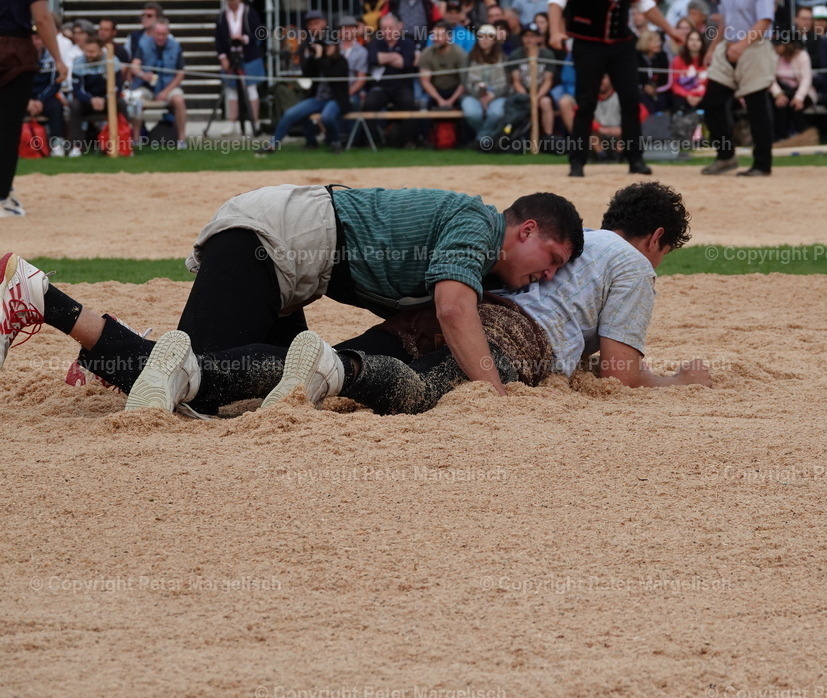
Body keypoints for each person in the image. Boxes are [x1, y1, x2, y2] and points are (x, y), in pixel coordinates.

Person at [0, 187, 585, 413]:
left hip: (289, 259)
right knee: (196, 383)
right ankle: (38, 295)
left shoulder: (476, 243)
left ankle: (84, 327)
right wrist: (496, 394)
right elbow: (455, 309)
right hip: (275, 243)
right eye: (551, 262)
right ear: (526, 230)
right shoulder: (480, 225)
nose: (543, 278)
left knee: (243, 388)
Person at [260, 181, 710, 415]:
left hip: (463, 310)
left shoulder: (580, 239)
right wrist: (677, 382)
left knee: (312, 366)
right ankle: (345, 372)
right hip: (513, 342)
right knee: (417, 391)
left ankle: (204, 374)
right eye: (663, 255)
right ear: (655, 239)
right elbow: (619, 376)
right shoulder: (633, 264)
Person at [548, 0, 684, 178]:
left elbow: (646, 6)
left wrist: (670, 30)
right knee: (586, 103)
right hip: (588, 43)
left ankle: (635, 159)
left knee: (631, 100)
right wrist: (555, 32)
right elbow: (556, 3)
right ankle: (577, 161)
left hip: (621, 45)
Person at [1, 0, 66, 216]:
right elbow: (42, 18)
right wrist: (58, 59)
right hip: (14, 51)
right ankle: (2, 196)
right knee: (8, 127)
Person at [699, 0, 776, 176]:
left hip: (755, 48)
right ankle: (725, 156)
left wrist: (742, 45)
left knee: (756, 107)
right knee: (712, 103)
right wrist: (712, 49)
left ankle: (762, 164)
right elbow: (724, 21)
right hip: (727, 47)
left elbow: (764, 21)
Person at [258, 32, 350, 154]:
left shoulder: (341, 61)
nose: (327, 48)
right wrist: (312, 56)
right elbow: (305, 73)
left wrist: (319, 59)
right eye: (325, 46)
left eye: (330, 46)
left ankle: (335, 142)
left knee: (327, 117)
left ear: (336, 47)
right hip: (318, 98)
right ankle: (273, 145)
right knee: (290, 114)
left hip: (336, 99)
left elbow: (331, 75)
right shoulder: (318, 59)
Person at [130, 18, 187, 148]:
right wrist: (143, 75)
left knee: (179, 100)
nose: (161, 37)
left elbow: (180, 73)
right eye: (158, 34)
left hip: (169, 86)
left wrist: (166, 92)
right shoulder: (143, 44)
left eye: (164, 34)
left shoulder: (176, 46)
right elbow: (135, 66)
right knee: (136, 99)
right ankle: (136, 139)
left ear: (168, 33)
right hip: (147, 86)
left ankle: (181, 140)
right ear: (153, 33)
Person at [68, 35, 129, 156]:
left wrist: (105, 99)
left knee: (121, 104)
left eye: (92, 52)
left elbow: (117, 87)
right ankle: (76, 146)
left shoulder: (112, 61)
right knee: (74, 105)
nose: (89, 54)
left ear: (101, 51)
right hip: (87, 101)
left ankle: (125, 143)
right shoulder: (78, 63)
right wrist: (91, 100)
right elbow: (77, 90)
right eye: (87, 51)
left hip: (107, 100)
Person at [363, 14, 417, 147]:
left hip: (402, 86)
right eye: (384, 28)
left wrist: (384, 58)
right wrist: (394, 56)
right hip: (381, 87)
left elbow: (406, 62)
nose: (387, 32)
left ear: (399, 27)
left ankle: (405, 141)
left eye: (390, 28)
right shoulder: (375, 42)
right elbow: (373, 59)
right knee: (368, 105)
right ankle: (374, 141)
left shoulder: (408, 42)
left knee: (409, 104)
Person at [214, 0, 265, 133]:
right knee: (232, 90)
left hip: (249, 56)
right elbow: (218, 39)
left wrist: (244, 39)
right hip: (230, 57)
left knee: (251, 88)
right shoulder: (222, 16)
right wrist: (223, 57)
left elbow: (259, 32)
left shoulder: (250, 12)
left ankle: (255, 122)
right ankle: (232, 123)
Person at [460, 24, 509, 140]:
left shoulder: (504, 58)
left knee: (496, 114)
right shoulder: (469, 58)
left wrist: (493, 95)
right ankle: (487, 139)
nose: (484, 40)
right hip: (473, 94)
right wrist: (479, 95)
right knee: (473, 114)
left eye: (489, 37)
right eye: (481, 36)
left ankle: (481, 138)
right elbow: (465, 81)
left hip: (497, 94)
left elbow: (508, 83)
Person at [510, 22, 556, 138]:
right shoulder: (516, 55)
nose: (529, 39)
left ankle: (548, 137)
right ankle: (517, 136)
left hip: (541, 92)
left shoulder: (547, 55)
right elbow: (516, 81)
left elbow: (548, 80)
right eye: (526, 36)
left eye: (533, 36)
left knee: (546, 102)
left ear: (539, 38)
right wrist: (527, 97)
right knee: (518, 103)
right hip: (522, 92)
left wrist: (536, 97)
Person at [25, 30, 66, 156]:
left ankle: (57, 144)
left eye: (38, 39)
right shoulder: (20, 58)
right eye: (32, 39)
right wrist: (27, 101)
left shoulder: (53, 58)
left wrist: (40, 100)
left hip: (45, 98)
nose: (35, 42)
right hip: (24, 99)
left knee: (56, 107)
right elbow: (18, 82)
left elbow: (55, 83)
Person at [770, 34, 815, 141]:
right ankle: (781, 137)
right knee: (781, 105)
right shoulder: (773, 56)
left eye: (778, 45)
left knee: (795, 107)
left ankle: (803, 136)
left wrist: (799, 98)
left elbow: (806, 79)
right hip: (781, 91)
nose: (775, 48)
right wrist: (778, 94)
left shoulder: (802, 56)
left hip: (803, 92)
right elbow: (769, 77)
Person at [419, 20, 468, 109]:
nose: (435, 38)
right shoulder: (426, 53)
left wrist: (451, 101)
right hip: (435, 91)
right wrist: (439, 100)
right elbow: (425, 81)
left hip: (455, 90)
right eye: (434, 35)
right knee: (422, 104)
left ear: (449, 37)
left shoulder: (459, 53)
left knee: (466, 105)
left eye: (439, 35)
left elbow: (464, 82)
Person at [636, 29, 671, 114]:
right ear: (646, 42)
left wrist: (655, 89)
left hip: (658, 90)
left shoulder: (662, 56)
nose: (659, 44)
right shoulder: (636, 57)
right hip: (640, 91)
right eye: (655, 41)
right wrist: (644, 86)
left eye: (659, 41)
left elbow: (665, 78)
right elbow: (634, 77)